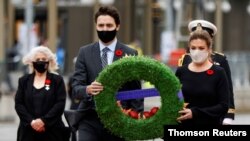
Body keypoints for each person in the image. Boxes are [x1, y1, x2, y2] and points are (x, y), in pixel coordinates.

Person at [71, 6, 144, 141]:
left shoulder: (130, 53)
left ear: (117, 26)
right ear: (96, 26)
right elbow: (76, 88)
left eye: (109, 25)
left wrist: (136, 120)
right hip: (90, 119)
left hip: (120, 119)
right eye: (101, 25)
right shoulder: (84, 53)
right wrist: (88, 89)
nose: (104, 29)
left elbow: (136, 90)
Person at [178, 19, 235, 125]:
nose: (196, 52)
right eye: (193, 48)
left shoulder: (219, 67)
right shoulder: (182, 68)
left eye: (201, 48)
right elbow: (175, 93)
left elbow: (227, 94)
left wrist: (229, 114)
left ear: (209, 48)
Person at [15, 46, 70, 141]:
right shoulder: (24, 81)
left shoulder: (57, 80)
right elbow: (19, 104)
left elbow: (60, 104)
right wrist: (32, 122)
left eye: (44, 59)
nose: (40, 61)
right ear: (32, 62)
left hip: (52, 132)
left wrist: (44, 121)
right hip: (28, 132)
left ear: (49, 61)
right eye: (38, 59)